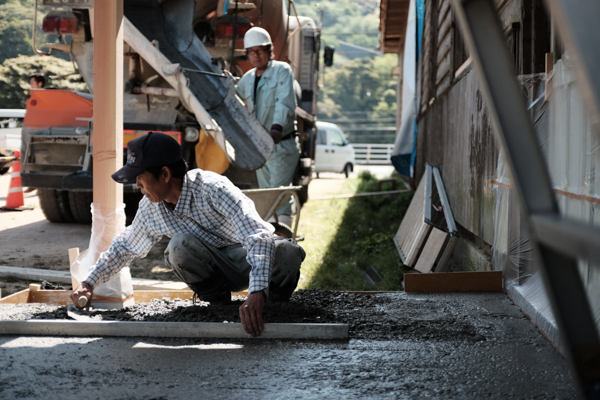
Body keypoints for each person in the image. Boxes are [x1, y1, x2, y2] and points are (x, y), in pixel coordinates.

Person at [70, 132, 305, 336]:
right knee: (179, 246)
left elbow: (257, 236)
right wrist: (89, 282)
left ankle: (272, 308)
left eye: (140, 178)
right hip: (215, 269)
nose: (137, 186)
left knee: (286, 251)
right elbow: (125, 247)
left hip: (245, 261)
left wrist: (256, 293)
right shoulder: (150, 208)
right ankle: (218, 308)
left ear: (164, 174)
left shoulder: (213, 188)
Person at [236, 27, 299, 227]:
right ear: (247, 55)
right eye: (252, 51)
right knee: (266, 196)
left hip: (282, 145)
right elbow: (234, 105)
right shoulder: (246, 80)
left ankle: (286, 239)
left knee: (279, 194)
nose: (256, 55)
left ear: (269, 50)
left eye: (260, 50)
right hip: (260, 148)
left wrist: (277, 128)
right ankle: (272, 240)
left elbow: (284, 102)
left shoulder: (282, 70)